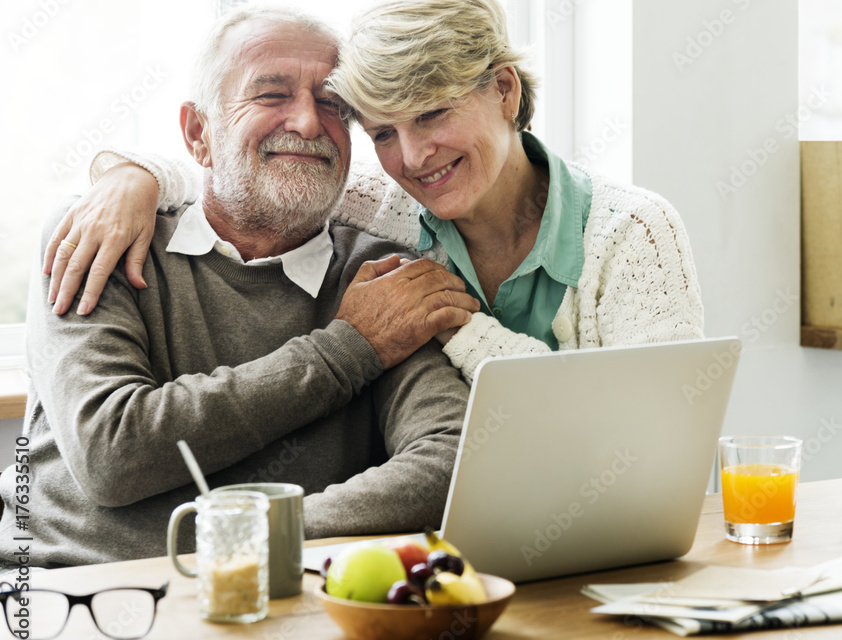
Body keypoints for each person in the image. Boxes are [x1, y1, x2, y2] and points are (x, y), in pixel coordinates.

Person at [0, 7, 476, 571]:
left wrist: (256, 536)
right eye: (272, 95)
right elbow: (113, 452)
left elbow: (452, 459)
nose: (306, 122)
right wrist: (348, 349)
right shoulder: (98, 236)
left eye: (331, 104)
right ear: (199, 134)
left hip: (281, 599)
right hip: (70, 601)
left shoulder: (378, 276)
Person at [45, 0, 704, 383]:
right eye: (384, 132)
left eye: (434, 114)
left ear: (504, 90)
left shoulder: (632, 231)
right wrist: (132, 177)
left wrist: (458, 325)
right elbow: (248, 169)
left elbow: (650, 447)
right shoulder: (379, 206)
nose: (413, 159)